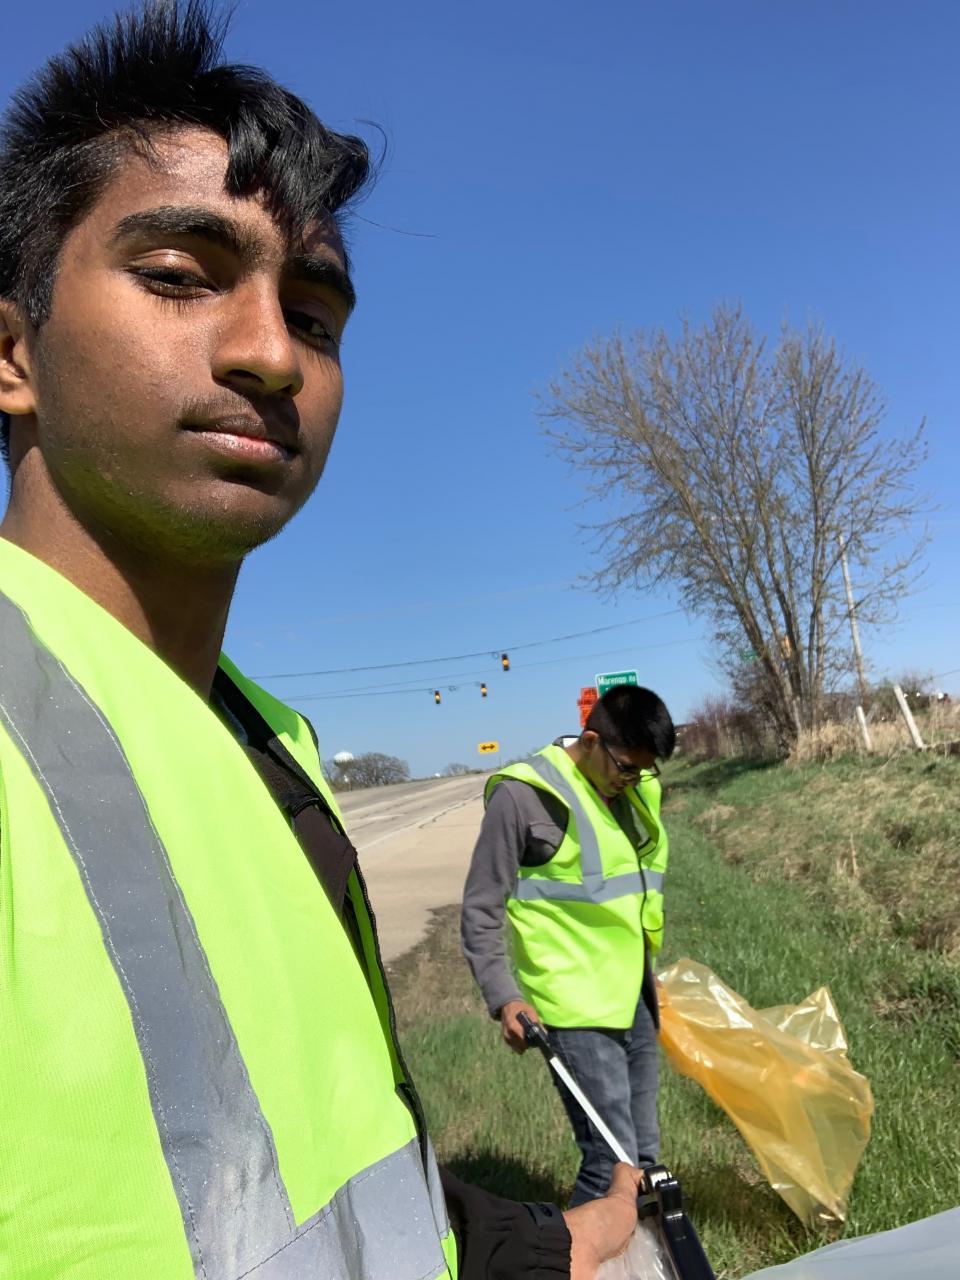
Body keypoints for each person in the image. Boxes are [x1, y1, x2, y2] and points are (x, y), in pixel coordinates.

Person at [0, 4, 642, 1276]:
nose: (271, 354)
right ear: (13, 354)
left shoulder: (265, 742)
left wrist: (538, 1245)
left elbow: (323, 1163)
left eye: (315, 316)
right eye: (177, 275)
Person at [461, 686, 676, 1207]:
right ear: (591, 740)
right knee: (610, 1165)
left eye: (644, 771)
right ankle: (567, 1250)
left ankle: (647, 1248)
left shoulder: (629, 790)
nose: (633, 780)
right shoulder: (524, 798)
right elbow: (481, 908)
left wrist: (645, 971)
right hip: (575, 1007)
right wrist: (505, 998)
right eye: (626, 767)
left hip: (633, 996)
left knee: (644, 1156)